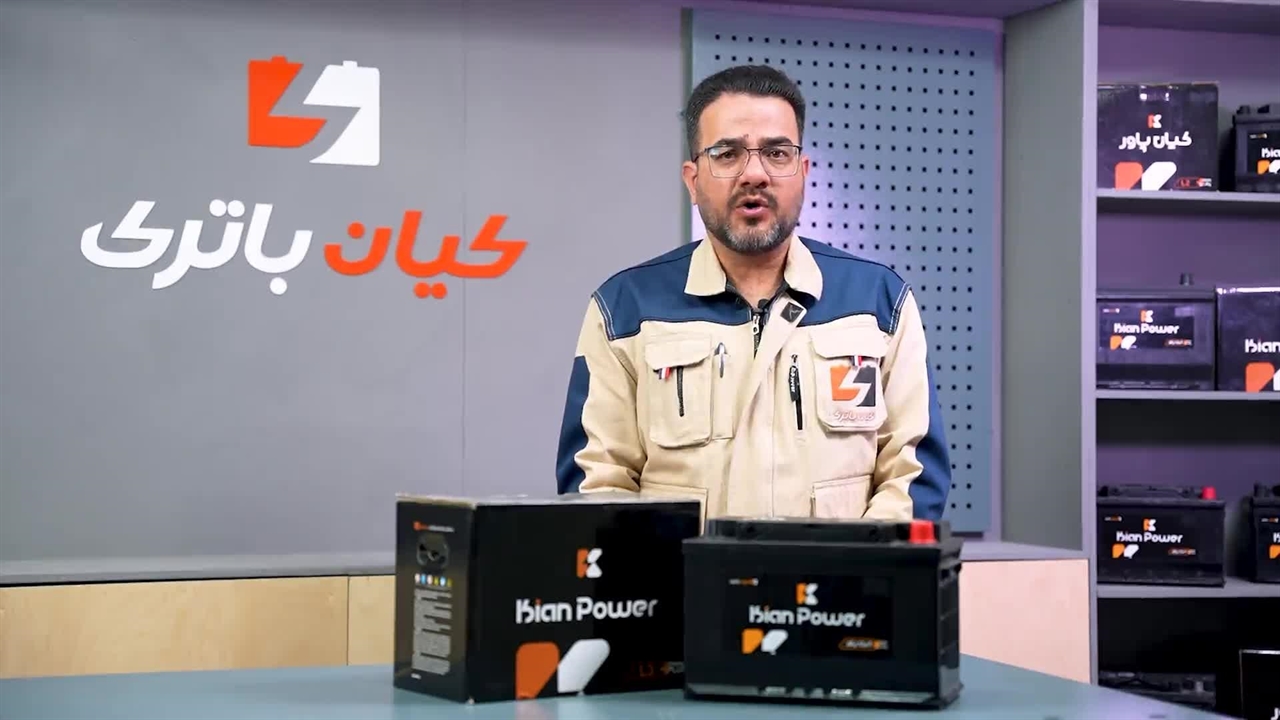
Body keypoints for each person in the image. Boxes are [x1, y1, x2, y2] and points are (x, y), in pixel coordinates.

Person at [554, 64, 951, 526]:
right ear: (693, 179)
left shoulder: (878, 301)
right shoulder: (625, 309)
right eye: (727, 154)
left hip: (843, 575)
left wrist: (857, 565)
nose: (755, 174)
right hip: (683, 576)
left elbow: (912, 472)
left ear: (803, 173)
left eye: (777, 153)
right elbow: (597, 484)